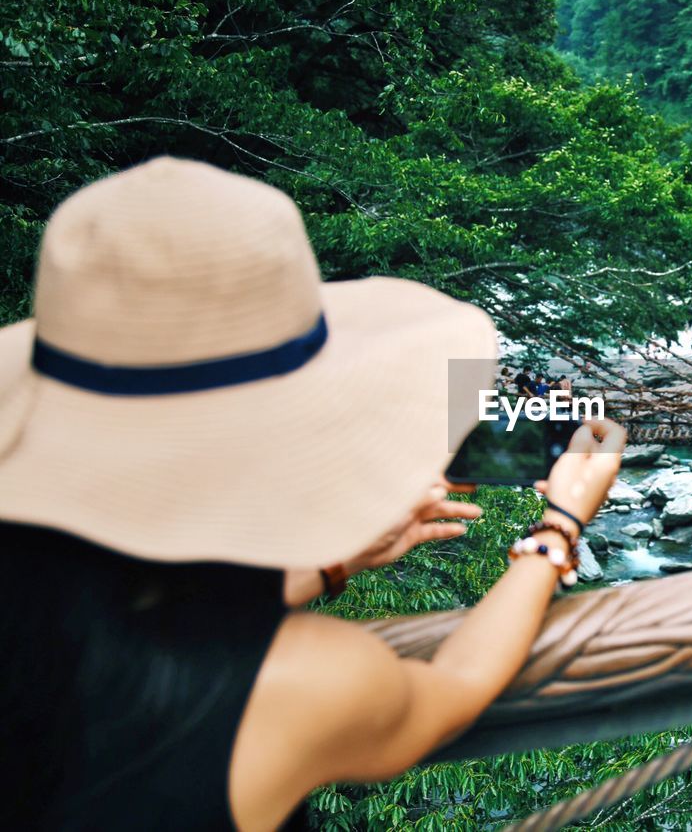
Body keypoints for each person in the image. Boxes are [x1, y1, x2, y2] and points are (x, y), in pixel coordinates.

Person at [0, 158, 626, 831]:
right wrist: (559, 525)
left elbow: (126, 615)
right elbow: (455, 688)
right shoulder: (303, 681)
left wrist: (328, 566)